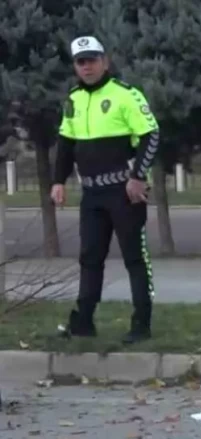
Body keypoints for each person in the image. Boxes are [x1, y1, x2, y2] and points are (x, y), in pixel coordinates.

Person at [52, 35, 161, 344]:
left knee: (134, 258)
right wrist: (58, 181)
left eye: (92, 60)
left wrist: (138, 176)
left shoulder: (126, 95)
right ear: (75, 66)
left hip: (124, 192)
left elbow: (151, 135)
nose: (86, 67)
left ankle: (142, 324)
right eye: (80, 62)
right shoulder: (73, 99)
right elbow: (66, 143)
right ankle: (83, 322)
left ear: (105, 61)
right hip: (92, 194)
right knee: (90, 258)